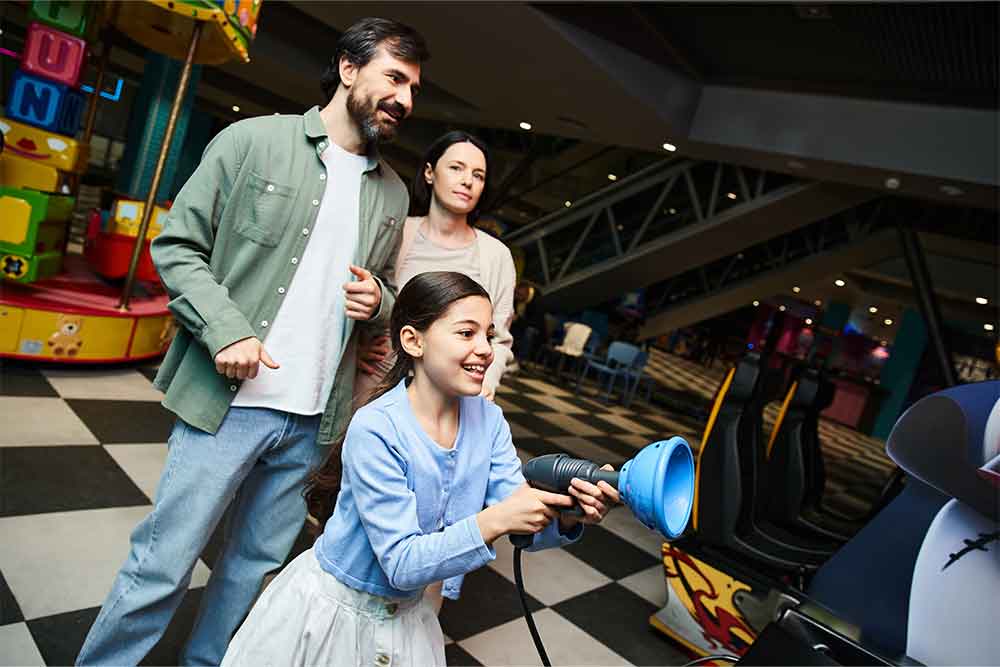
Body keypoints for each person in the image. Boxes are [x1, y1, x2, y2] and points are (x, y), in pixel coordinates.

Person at [76, 18, 429, 667]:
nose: (406, 99)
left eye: (413, 88)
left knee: (248, 574)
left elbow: (380, 290)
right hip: (227, 407)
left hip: (310, 421)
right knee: (162, 565)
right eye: (395, 78)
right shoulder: (253, 142)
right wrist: (226, 328)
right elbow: (176, 245)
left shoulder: (391, 194)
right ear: (349, 69)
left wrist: (378, 300)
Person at [222, 271, 620, 666]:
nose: (486, 350)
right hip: (334, 617)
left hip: (409, 620)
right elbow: (401, 562)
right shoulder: (377, 427)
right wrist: (496, 518)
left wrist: (566, 516)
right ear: (413, 340)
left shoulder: (490, 421)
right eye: (467, 333)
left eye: (490, 336)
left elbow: (517, 513)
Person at [355, 131, 516, 405]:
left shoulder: (495, 255)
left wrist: (487, 382)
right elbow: (362, 299)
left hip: (450, 400)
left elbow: (498, 339)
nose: (467, 181)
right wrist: (352, 351)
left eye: (478, 175)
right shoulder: (398, 231)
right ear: (430, 173)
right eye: (456, 168)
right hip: (378, 385)